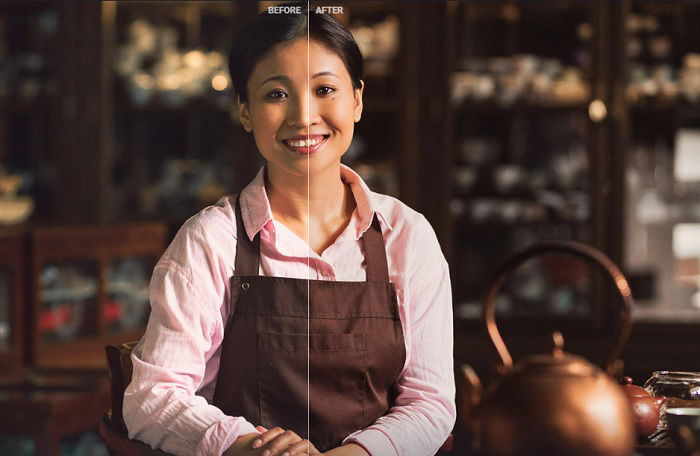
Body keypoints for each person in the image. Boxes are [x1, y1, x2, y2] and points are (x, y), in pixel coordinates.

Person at [123, 3, 455, 456]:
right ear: (244, 112)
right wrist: (252, 447)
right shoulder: (210, 241)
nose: (303, 115)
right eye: (276, 94)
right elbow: (151, 398)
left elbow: (430, 402)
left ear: (356, 100)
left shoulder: (406, 237)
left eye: (325, 89)